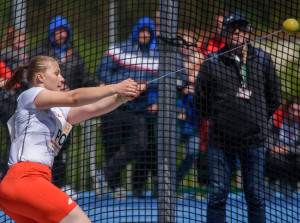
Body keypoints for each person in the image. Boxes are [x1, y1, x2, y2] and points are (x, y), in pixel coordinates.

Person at [0, 56, 140, 222]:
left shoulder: (59, 110)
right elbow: (73, 97)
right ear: (41, 77)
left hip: (24, 184)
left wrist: (120, 97)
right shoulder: (31, 94)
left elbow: (93, 109)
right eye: (57, 73)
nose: (62, 78)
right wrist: (116, 87)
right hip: (26, 180)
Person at [194, 12, 281, 222]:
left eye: (241, 28)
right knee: (217, 194)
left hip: (254, 140)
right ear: (224, 31)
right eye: (232, 28)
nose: (237, 32)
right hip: (220, 140)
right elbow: (200, 99)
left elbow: (275, 97)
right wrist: (217, 119)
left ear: (248, 32)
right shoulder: (212, 61)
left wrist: (258, 119)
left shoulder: (262, 59)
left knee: (255, 195)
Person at [97, 17, 187, 199]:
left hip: (139, 109)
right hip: (116, 106)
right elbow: (102, 72)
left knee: (141, 143)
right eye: (142, 31)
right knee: (112, 145)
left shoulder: (160, 55)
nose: (145, 35)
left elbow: (176, 79)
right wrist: (125, 85)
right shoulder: (119, 50)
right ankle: (112, 183)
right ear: (136, 31)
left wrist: (158, 99)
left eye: (148, 31)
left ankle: (106, 173)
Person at [30, 15, 99, 195]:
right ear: (51, 34)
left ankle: (60, 185)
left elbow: (85, 77)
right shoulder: (40, 53)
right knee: (42, 148)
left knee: (61, 148)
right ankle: (40, 184)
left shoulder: (73, 54)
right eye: (57, 31)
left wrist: (98, 87)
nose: (61, 35)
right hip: (45, 109)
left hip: (65, 110)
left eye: (63, 31)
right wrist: (54, 91)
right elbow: (31, 79)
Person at [265, 96, 300, 199]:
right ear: (286, 108)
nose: (295, 113)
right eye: (292, 109)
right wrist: (272, 148)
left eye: (298, 111)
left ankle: (287, 183)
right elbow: (265, 137)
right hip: (273, 155)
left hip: (291, 156)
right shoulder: (275, 119)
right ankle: (272, 182)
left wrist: (287, 150)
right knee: (277, 161)